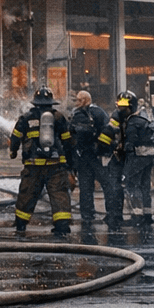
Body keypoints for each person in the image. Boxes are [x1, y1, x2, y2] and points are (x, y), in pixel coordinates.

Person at [8, 87, 75, 236]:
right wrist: (70, 165)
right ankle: (62, 227)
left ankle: (21, 225)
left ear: (35, 102)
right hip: (56, 165)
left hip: (33, 166)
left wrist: (12, 152)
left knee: (27, 194)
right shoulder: (58, 117)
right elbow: (67, 142)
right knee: (60, 195)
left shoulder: (26, 118)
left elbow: (15, 138)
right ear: (51, 102)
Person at [99, 90, 154, 226]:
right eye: (120, 104)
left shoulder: (130, 121)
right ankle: (147, 215)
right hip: (148, 156)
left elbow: (129, 143)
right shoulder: (144, 115)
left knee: (132, 185)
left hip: (136, 157)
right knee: (144, 186)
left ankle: (137, 217)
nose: (121, 108)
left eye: (124, 105)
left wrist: (115, 150)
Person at [67, 91, 108, 224]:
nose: (77, 103)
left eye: (79, 100)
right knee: (104, 185)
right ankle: (111, 214)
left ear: (85, 100)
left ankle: (87, 215)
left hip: (86, 156)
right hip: (94, 156)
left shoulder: (76, 114)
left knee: (87, 186)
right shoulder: (99, 113)